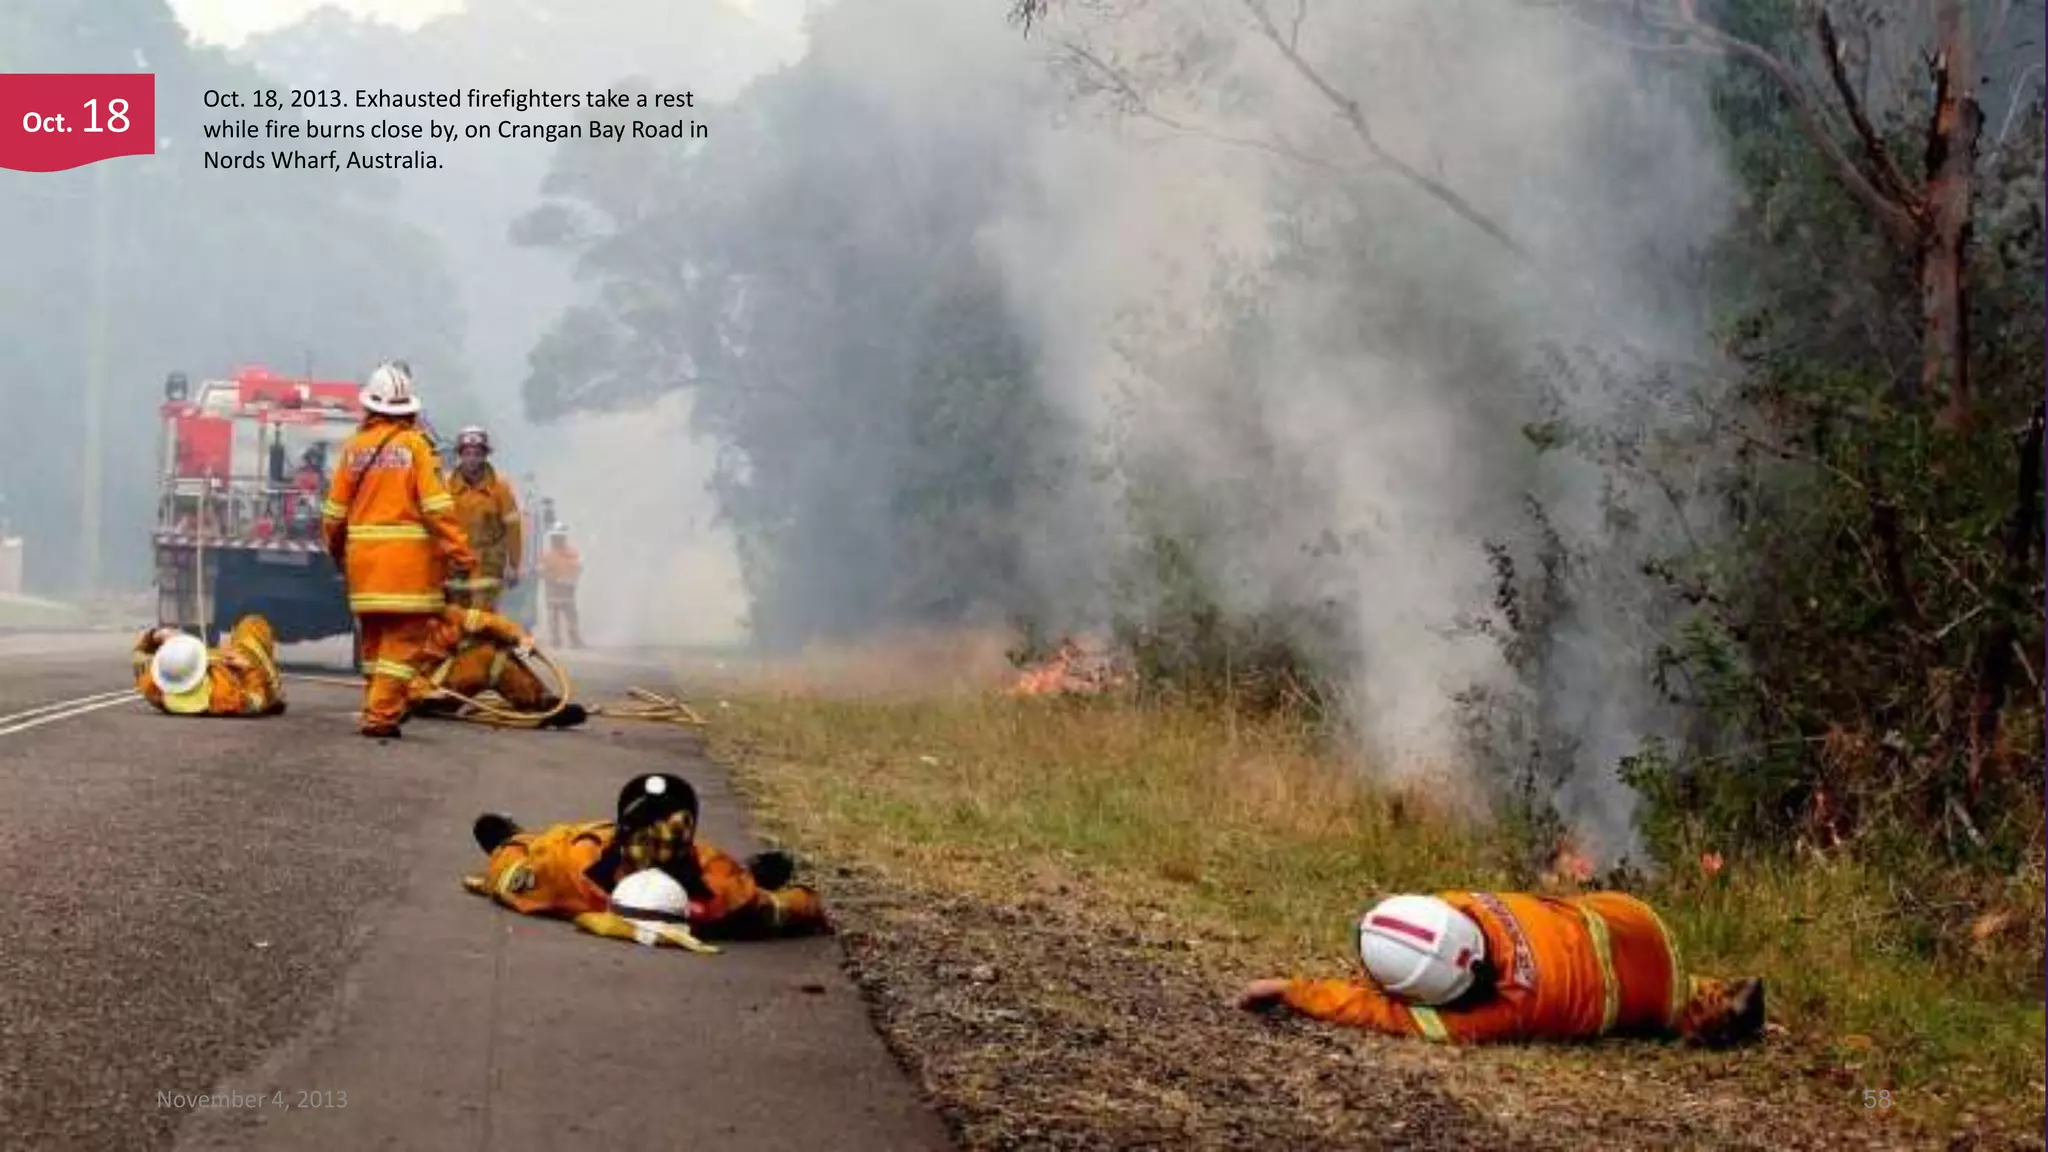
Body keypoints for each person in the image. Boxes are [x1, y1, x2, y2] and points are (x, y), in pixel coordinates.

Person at [1235, 890, 1767, 1048]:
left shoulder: (1493, 1015)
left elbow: (1371, 1010)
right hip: (1634, 918)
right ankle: (1714, 990)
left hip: (1648, 1000)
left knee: (1661, 1011)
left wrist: (1291, 990)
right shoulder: (1468, 904)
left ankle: (1713, 1017)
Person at [461, 772, 830, 941]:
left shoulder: (720, 890)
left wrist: (802, 904)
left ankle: (754, 869)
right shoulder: (569, 865)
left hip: (591, 852)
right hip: (581, 844)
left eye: (664, 845)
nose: (653, 850)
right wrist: (507, 847)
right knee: (539, 847)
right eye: (644, 840)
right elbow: (512, 874)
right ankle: (515, 835)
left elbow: (777, 908)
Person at [320, 360, 477, 739]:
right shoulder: (415, 447)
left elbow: (333, 514)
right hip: (407, 572)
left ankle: (377, 704)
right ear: (408, 409)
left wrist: (339, 553)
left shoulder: (354, 449)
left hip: (364, 569)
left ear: (370, 406)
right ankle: (382, 714)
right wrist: (461, 554)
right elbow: (437, 508)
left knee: (375, 643)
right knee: (404, 642)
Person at [403, 603, 589, 728]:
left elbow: (488, 622)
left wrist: (520, 638)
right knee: (488, 657)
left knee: (499, 641)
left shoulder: (445, 614)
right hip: (422, 694)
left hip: (439, 682)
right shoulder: (393, 624)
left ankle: (543, 702)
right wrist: (421, 691)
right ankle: (540, 707)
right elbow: (385, 675)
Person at [131, 616, 286, 717]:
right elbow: (256, 701)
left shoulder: (152, 685)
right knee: (253, 624)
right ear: (202, 668)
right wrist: (249, 669)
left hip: (218, 661)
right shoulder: (222, 696)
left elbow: (139, 655)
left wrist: (157, 635)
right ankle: (275, 688)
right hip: (239, 669)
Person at [443, 425, 523, 612]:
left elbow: (513, 528)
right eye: (467, 453)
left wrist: (514, 565)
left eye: (477, 453)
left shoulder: (500, 488)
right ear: (460, 455)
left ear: (485, 455)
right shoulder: (446, 486)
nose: (472, 459)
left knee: (481, 617)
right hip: (455, 564)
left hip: (489, 563)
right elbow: (438, 526)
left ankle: (483, 640)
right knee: (456, 618)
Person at [537, 524, 585, 648]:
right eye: (555, 537)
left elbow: (579, 567)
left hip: (568, 591)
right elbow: (540, 572)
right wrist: (553, 579)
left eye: (560, 537)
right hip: (553, 592)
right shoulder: (547, 555)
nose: (557, 540)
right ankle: (555, 640)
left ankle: (575, 640)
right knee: (553, 618)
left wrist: (572, 579)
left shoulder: (572, 552)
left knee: (572, 617)